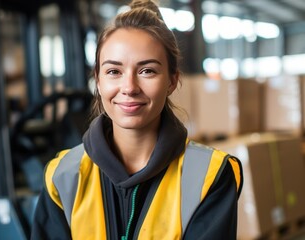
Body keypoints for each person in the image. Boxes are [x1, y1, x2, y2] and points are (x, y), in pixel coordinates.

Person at [31, 0, 243, 239]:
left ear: (172, 81)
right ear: (98, 81)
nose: (129, 87)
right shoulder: (62, 177)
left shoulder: (210, 175)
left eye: (147, 71)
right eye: (114, 72)